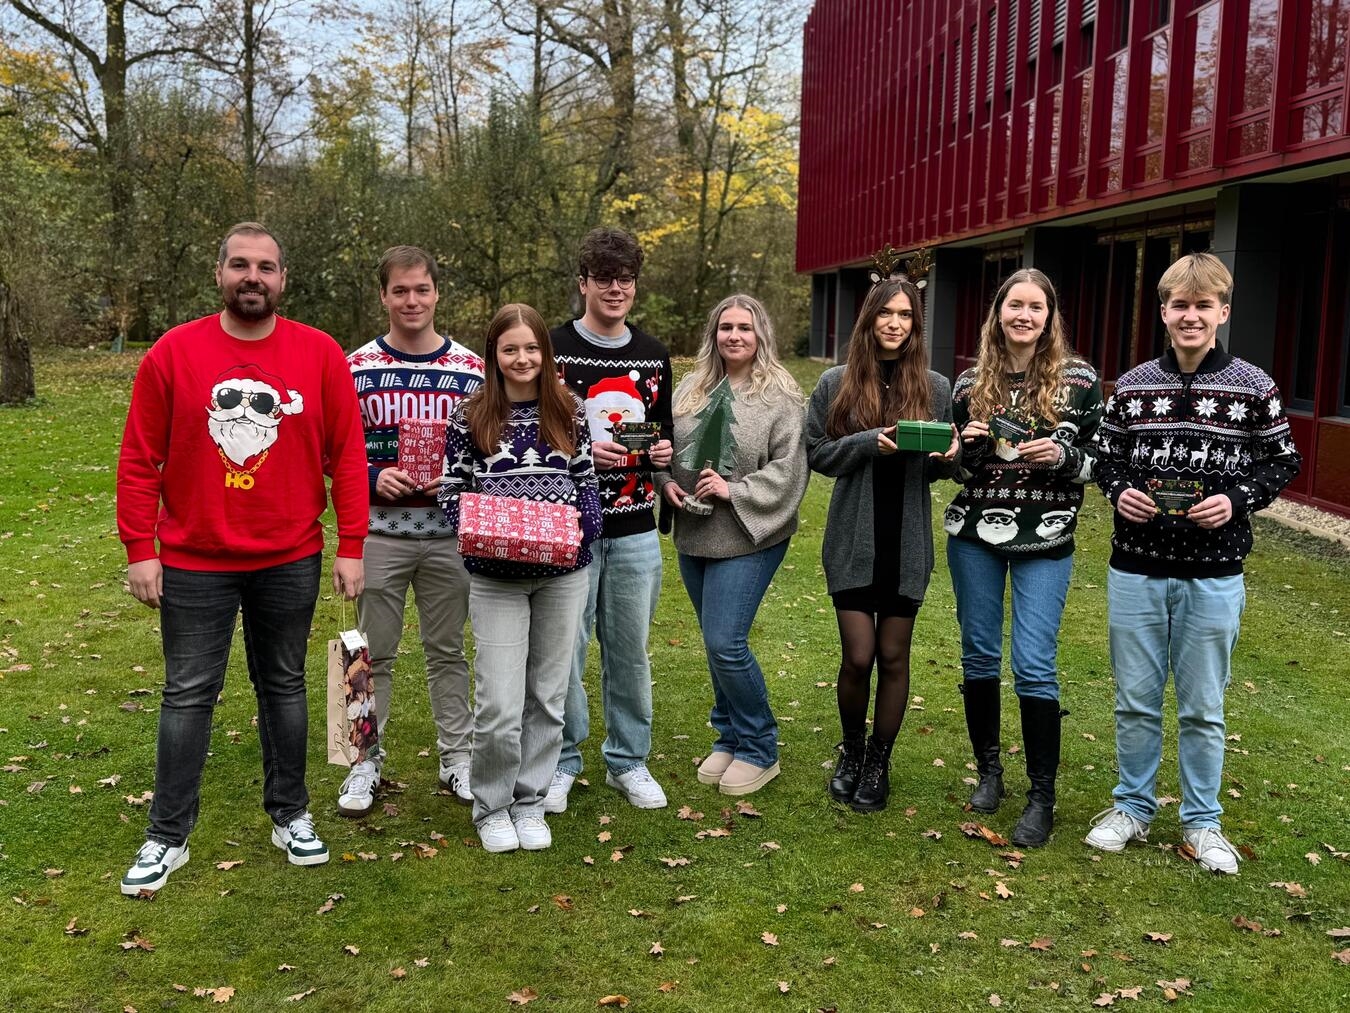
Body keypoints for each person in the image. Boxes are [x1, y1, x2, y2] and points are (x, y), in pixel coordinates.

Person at [116, 222, 368, 895]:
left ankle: (291, 814)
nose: (251, 276)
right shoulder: (174, 352)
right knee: (188, 693)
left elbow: (347, 455)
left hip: (289, 554)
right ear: (220, 273)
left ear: (283, 278)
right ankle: (167, 835)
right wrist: (141, 548)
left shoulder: (318, 355)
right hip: (195, 557)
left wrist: (353, 544)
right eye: (239, 265)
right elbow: (141, 456)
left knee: (283, 685)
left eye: (265, 266)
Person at [1086, 252, 1301, 874]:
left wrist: (1235, 500)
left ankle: (1203, 822)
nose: (1190, 316)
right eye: (1179, 305)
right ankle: (1132, 806)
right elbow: (1108, 457)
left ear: (1222, 313)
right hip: (1137, 568)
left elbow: (1281, 461)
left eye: (1203, 306)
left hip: (1214, 572)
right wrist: (1118, 490)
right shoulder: (1131, 386)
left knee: (1203, 705)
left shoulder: (1252, 387)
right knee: (1135, 699)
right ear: (1163, 311)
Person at [944, 268, 1102, 847]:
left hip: (1047, 536)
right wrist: (970, 450)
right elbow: (953, 467)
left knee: (1034, 662)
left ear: (1049, 315)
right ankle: (989, 770)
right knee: (979, 654)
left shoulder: (1079, 379)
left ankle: (1042, 795)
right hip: (974, 535)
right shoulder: (968, 384)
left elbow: (1102, 463)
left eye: (1036, 307)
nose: (1025, 316)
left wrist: (1061, 455)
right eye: (1015, 305)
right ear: (999, 313)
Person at [439, 304, 602, 852]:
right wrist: (490, 527)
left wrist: (578, 534)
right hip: (496, 577)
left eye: (531, 348)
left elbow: (586, 483)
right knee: (500, 703)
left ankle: (530, 800)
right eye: (510, 349)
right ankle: (492, 805)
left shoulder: (570, 411)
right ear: (494, 356)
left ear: (544, 353)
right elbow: (450, 490)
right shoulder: (471, 417)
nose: (522, 358)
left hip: (562, 574)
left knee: (548, 695)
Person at [805, 275, 959, 813]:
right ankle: (850, 750)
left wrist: (950, 456)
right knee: (859, 655)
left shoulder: (937, 387)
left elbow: (950, 466)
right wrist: (868, 443)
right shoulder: (836, 383)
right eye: (885, 314)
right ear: (868, 319)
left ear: (916, 325)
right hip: (853, 539)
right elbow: (818, 453)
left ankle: (878, 759)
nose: (895, 324)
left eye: (906, 316)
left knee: (894, 656)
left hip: (906, 541)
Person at [340, 246, 485, 817]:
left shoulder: (471, 369)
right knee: (369, 657)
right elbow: (338, 452)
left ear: (436, 293)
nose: (411, 300)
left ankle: (459, 758)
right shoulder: (355, 368)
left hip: (449, 535)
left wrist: (455, 480)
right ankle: (363, 762)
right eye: (400, 291)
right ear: (383, 296)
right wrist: (376, 477)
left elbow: (486, 448)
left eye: (421, 289)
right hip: (381, 534)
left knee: (448, 651)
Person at [654, 295, 809, 796]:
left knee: (726, 641)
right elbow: (666, 449)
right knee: (714, 643)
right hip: (694, 532)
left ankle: (760, 748)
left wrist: (734, 490)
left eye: (745, 327)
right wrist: (664, 482)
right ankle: (730, 734)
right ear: (714, 334)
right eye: (726, 328)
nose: (734, 336)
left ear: (760, 333)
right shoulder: (692, 390)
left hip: (749, 534)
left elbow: (790, 471)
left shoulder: (781, 397)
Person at [546, 227, 675, 812]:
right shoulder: (549, 348)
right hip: (567, 523)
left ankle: (629, 761)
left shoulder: (652, 353)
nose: (616, 289)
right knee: (564, 652)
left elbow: (660, 431)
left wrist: (662, 456)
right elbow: (530, 427)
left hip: (634, 525)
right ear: (584, 284)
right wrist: (577, 451)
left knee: (629, 651)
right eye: (604, 279)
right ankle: (561, 761)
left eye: (625, 279)